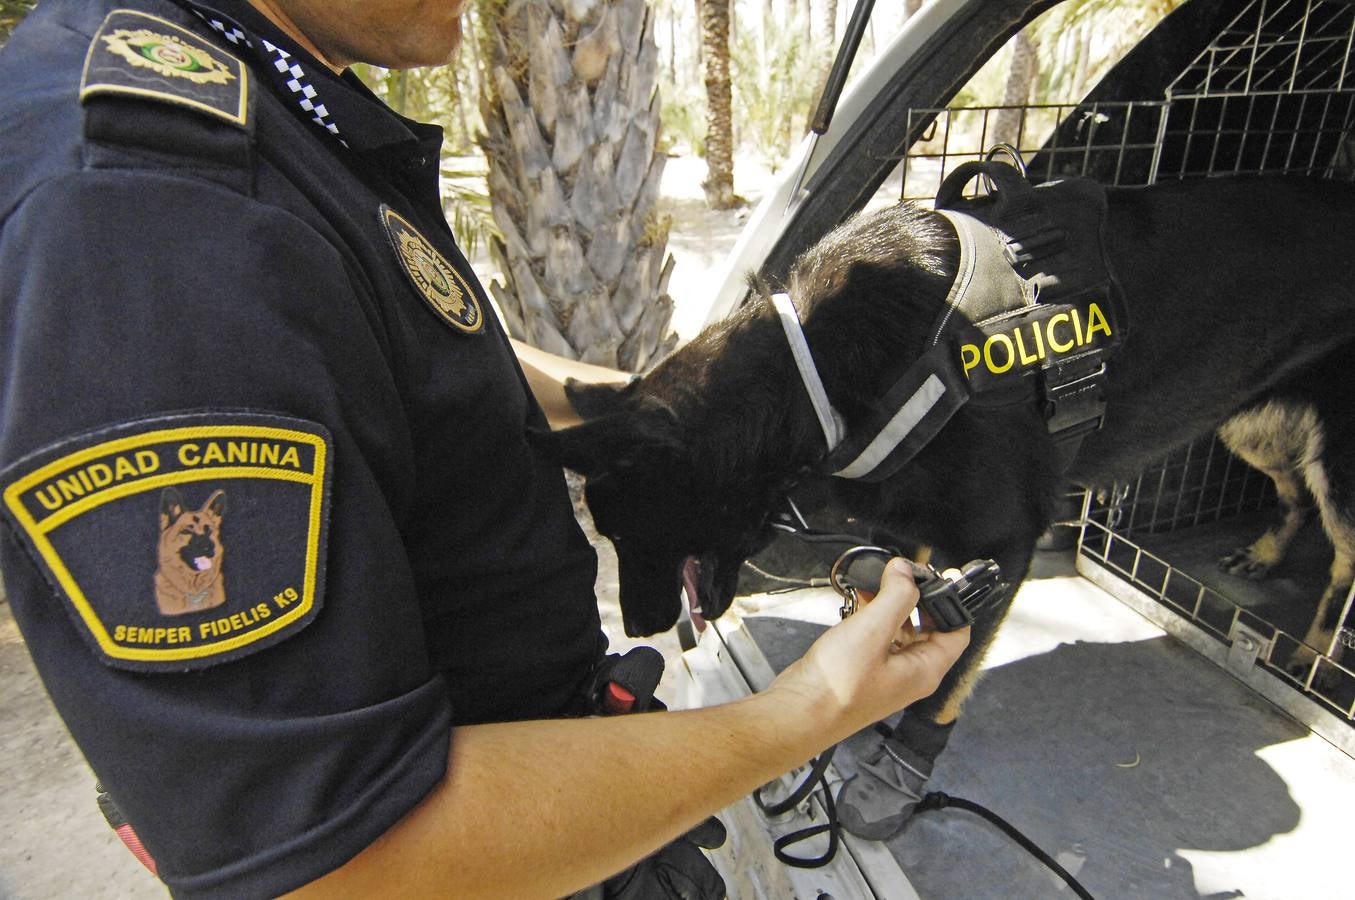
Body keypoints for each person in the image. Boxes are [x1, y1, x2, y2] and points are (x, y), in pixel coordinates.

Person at [0, 0, 971, 896]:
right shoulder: (149, 224)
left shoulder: (248, 92)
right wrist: (804, 711)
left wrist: (636, 410)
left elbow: (376, 330)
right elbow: (335, 865)